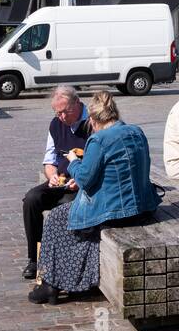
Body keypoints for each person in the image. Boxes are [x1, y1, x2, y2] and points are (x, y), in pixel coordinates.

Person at [29, 91, 159, 305]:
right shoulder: (136, 131)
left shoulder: (99, 140)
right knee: (74, 221)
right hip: (144, 207)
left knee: (55, 219)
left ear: (94, 120)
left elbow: (84, 179)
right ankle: (81, 280)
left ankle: (50, 284)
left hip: (116, 212)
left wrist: (72, 160)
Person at [21, 85, 91, 280]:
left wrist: (81, 180)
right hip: (61, 179)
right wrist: (51, 175)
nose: (61, 117)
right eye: (56, 112)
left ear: (77, 104)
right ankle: (34, 259)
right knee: (31, 200)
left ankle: (62, 262)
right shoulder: (55, 124)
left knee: (66, 207)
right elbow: (49, 160)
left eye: (64, 112)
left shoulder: (92, 123)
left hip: (83, 183)